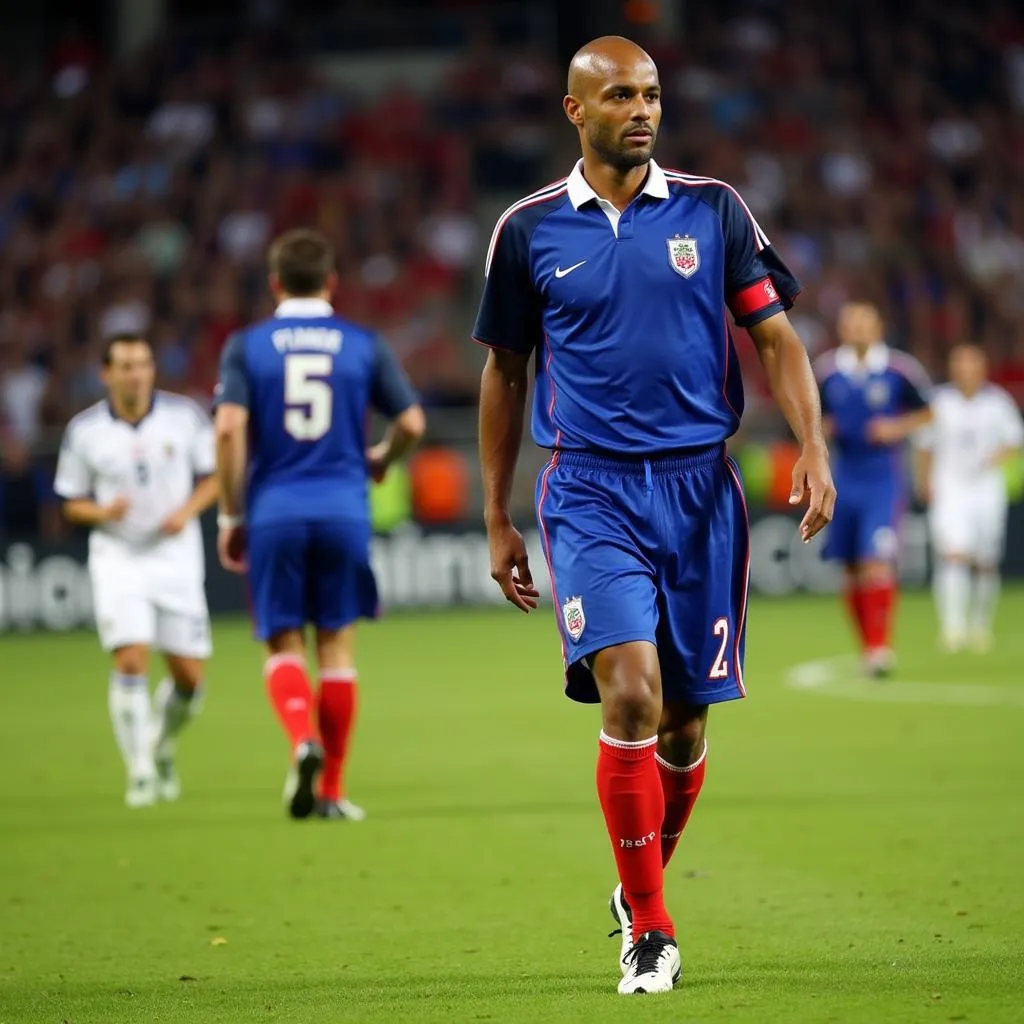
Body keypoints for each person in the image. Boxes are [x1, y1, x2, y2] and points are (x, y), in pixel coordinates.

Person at [474, 37, 835, 996]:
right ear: (574, 111)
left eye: (652, 94)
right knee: (629, 693)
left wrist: (815, 443)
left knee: (682, 729)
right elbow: (505, 372)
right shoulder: (529, 230)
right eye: (621, 96)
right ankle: (653, 931)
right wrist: (496, 515)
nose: (642, 110)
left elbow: (778, 340)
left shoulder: (715, 210)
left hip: (700, 491)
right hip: (589, 488)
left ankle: (637, 885)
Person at [213, 229, 425, 821]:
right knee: (335, 644)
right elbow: (410, 421)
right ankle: (331, 790)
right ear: (331, 283)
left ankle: (301, 737)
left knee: (284, 640)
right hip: (343, 509)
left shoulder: (247, 346)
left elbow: (228, 429)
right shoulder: (361, 344)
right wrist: (381, 458)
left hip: (276, 510)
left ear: (276, 284)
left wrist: (232, 514)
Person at [53, 334, 218, 807]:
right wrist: (102, 513)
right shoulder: (85, 432)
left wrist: (186, 512)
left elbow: (215, 479)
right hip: (118, 557)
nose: (136, 373)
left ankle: (162, 746)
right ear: (106, 374)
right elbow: (71, 503)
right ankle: (139, 771)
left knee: (189, 677)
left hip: (175, 556)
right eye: (125, 365)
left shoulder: (184, 417)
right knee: (130, 660)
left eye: (143, 364)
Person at [815, 302, 933, 676]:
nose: (858, 329)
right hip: (843, 476)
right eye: (851, 323)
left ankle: (880, 647)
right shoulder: (828, 371)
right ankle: (868, 646)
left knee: (875, 560)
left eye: (865, 322)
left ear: (879, 326)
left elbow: (930, 411)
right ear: (843, 329)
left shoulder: (900, 369)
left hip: (883, 478)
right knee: (850, 568)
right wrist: (821, 429)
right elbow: (807, 411)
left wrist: (895, 429)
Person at [915, 344, 1024, 652]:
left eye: (971, 363)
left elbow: (1014, 441)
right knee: (954, 553)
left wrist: (994, 458)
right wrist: (924, 483)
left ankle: (980, 625)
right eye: (960, 363)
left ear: (982, 368)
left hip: (986, 488)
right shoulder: (939, 402)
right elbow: (925, 445)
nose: (965, 369)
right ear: (953, 369)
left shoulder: (998, 402)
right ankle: (953, 628)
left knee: (986, 560)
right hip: (950, 487)